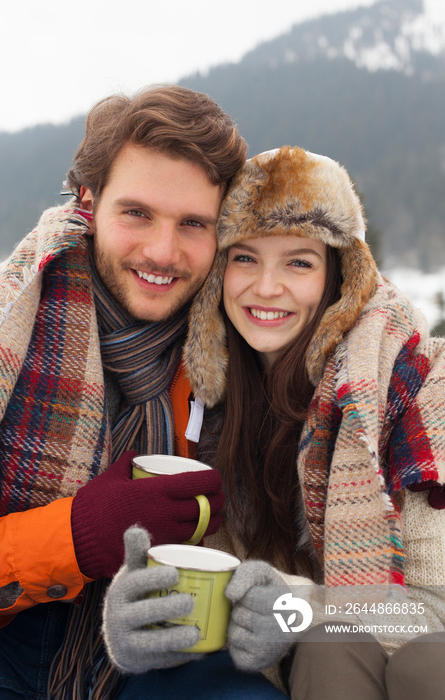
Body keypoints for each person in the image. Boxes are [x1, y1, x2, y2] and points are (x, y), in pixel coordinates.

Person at [103, 146, 445, 699]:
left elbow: (433, 619)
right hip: (295, 680)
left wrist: (297, 610)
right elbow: (219, 600)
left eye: (299, 262)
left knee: (364, 650)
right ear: (218, 274)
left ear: (340, 277)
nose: (265, 287)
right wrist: (139, 624)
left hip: (405, 673)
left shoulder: (421, 389)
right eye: (244, 258)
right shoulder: (203, 408)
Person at [0, 84, 251, 699]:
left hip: (162, 637)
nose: (163, 251)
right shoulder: (0, 330)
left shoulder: (235, 340)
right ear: (88, 200)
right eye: (136, 213)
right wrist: (75, 535)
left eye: (193, 224)